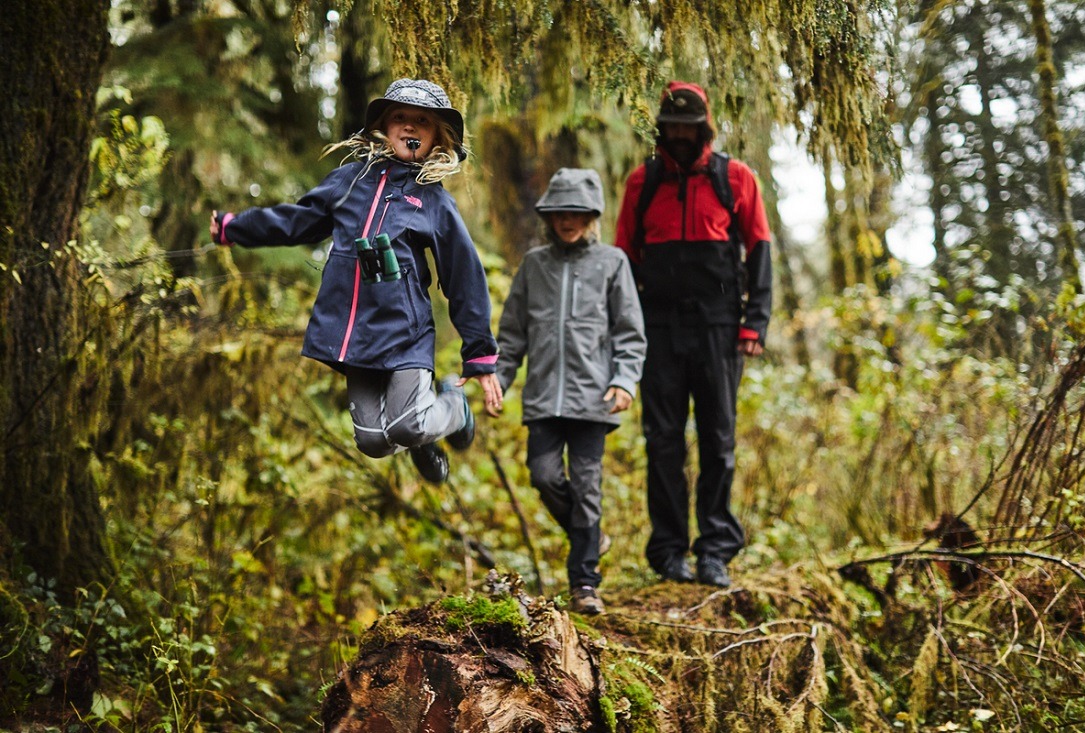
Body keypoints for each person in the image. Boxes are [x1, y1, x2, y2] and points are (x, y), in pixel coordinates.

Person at [210, 78, 503, 484]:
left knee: (407, 425)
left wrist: (481, 356)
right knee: (373, 441)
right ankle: (423, 437)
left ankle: (455, 407)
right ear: (383, 125)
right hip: (357, 335)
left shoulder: (434, 201)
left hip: (405, 334)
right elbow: (296, 222)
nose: (410, 127)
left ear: (438, 137)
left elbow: (464, 275)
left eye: (423, 121)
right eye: (400, 117)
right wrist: (234, 228)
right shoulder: (349, 180)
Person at [614, 81, 773, 588]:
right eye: (672, 127)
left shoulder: (736, 178)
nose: (680, 135)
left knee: (718, 440)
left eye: (689, 126)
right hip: (657, 328)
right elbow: (623, 259)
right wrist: (624, 328)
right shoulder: (643, 182)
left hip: (720, 327)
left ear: (704, 129)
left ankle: (715, 551)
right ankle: (667, 552)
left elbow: (760, 249)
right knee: (662, 441)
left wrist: (756, 321)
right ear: (662, 130)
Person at [491, 168, 646, 615]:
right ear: (549, 216)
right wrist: (499, 381)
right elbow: (512, 334)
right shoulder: (533, 266)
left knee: (588, 486)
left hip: (593, 397)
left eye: (577, 212)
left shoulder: (612, 263)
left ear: (591, 216)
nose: (568, 220)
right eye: (560, 212)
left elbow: (630, 334)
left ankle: (584, 583)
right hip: (543, 396)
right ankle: (591, 536)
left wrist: (623, 380)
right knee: (543, 476)